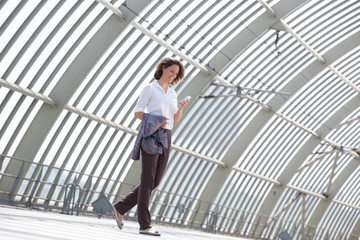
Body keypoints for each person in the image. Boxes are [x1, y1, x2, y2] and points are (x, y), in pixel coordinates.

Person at [112, 57, 189, 236]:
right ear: (163, 68)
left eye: (176, 74)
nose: (173, 75)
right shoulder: (149, 88)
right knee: (147, 179)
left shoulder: (172, 93)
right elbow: (138, 113)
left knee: (155, 181)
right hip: (151, 135)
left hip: (166, 136)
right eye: (172, 71)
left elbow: (174, 121)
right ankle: (144, 224)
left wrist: (181, 108)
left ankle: (120, 207)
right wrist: (157, 122)